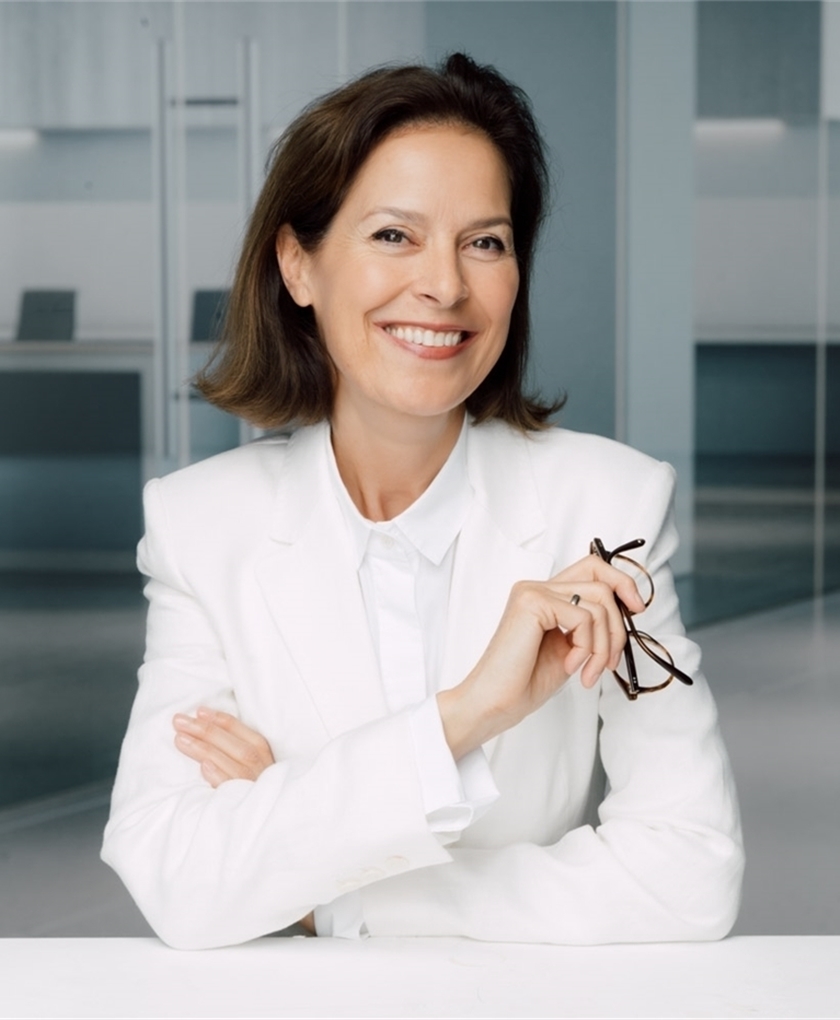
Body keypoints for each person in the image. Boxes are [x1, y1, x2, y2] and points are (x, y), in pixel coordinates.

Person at [102, 53, 743, 950]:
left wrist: (332, 893)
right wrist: (466, 715)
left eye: (486, 242)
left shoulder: (607, 507)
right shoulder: (203, 528)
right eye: (395, 235)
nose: (445, 285)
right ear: (298, 265)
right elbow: (175, 874)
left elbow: (689, 872)